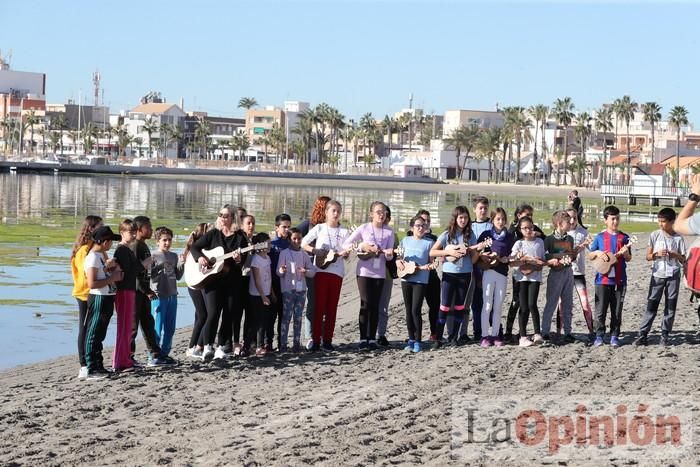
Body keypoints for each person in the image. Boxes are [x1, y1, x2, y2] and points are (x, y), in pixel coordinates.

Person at [190, 205, 246, 360]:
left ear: (233, 218)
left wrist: (239, 259)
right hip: (211, 280)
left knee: (228, 314)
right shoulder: (213, 234)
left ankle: (221, 346)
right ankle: (207, 346)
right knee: (213, 313)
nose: (222, 218)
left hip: (231, 281)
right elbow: (195, 247)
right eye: (221, 215)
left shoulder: (240, 237)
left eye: (226, 215)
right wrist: (200, 257)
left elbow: (243, 261)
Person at [343, 201, 395, 350]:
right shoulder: (364, 228)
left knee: (375, 305)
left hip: (379, 273)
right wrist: (362, 246)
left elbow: (389, 257)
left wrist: (390, 255)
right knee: (365, 303)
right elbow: (347, 244)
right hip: (364, 272)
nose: (381, 214)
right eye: (378, 212)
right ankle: (362, 338)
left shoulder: (389, 232)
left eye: (384, 212)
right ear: (371, 214)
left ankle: (372, 338)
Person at [302, 200, 350, 351]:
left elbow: (347, 254)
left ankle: (327, 340)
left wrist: (346, 253)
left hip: (337, 273)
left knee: (332, 308)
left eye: (338, 211)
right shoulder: (320, 228)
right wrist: (316, 251)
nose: (336, 214)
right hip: (320, 271)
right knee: (319, 306)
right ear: (327, 212)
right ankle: (315, 340)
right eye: (333, 211)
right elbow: (303, 243)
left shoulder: (344, 232)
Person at [429, 206, 480, 349]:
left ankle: (453, 337)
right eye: (460, 217)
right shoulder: (447, 234)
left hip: (465, 274)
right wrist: (448, 251)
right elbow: (433, 252)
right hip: (449, 274)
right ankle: (438, 338)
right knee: (444, 306)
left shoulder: (471, 236)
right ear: (455, 218)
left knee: (460, 306)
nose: (463, 220)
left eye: (465, 217)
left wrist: (476, 251)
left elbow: (474, 260)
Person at [633, 208, 686, 346]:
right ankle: (643, 334)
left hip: (673, 275)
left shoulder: (678, 238)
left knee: (670, 305)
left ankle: (665, 334)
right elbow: (648, 256)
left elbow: (684, 260)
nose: (660, 224)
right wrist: (656, 255)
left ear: (672, 222)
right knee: (651, 304)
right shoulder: (655, 235)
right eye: (659, 221)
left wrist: (675, 255)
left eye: (663, 221)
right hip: (657, 274)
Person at [587, 205, 632, 348]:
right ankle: (599, 335)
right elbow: (590, 254)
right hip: (602, 279)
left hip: (619, 279)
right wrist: (598, 253)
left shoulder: (624, 238)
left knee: (617, 310)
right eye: (612, 219)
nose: (615, 221)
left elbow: (629, 258)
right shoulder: (600, 237)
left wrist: (625, 253)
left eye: (617, 218)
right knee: (600, 309)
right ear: (605, 220)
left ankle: (614, 335)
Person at [83, 225, 123, 380]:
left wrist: (110, 270)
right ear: (104, 241)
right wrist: (112, 278)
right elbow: (91, 283)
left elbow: (102, 275)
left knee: (100, 333)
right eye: (110, 241)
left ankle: (98, 365)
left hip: (107, 296)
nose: (111, 244)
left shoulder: (101, 255)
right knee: (94, 332)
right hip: (99, 297)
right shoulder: (92, 257)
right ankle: (91, 368)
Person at [129, 216, 167, 366]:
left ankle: (156, 354)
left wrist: (148, 289)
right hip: (136, 292)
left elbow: (144, 273)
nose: (151, 230)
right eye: (148, 227)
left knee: (148, 323)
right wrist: (146, 291)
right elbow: (135, 273)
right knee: (133, 326)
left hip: (143, 292)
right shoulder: (135, 246)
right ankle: (128, 356)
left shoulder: (143, 245)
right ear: (139, 229)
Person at [504, 204, 544, 343]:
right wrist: (519, 260)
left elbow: (542, 251)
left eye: (531, 217)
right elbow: (511, 257)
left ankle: (533, 333)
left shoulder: (536, 234)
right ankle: (512, 332)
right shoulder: (513, 233)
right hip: (519, 274)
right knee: (518, 303)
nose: (529, 218)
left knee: (531, 304)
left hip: (533, 275)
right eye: (526, 215)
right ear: (518, 215)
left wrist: (536, 264)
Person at [71, 215, 103, 380]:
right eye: (100, 226)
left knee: (91, 329)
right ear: (91, 229)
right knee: (84, 329)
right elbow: (86, 276)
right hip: (84, 294)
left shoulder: (93, 247)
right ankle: (84, 366)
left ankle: (91, 363)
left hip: (91, 292)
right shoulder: (84, 250)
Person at [476, 207, 514, 347]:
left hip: (502, 273)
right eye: (498, 219)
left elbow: (513, 254)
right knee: (487, 304)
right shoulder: (486, 234)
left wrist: (507, 259)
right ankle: (484, 335)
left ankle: (495, 335)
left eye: (503, 219)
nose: (501, 221)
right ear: (492, 220)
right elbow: (477, 252)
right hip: (488, 272)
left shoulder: (510, 237)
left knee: (498, 305)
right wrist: (485, 256)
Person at [397, 215, 435, 353]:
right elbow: (399, 256)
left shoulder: (429, 243)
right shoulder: (405, 241)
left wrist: (429, 266)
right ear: (412, 227)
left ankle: (418, 341)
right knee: (408, 310)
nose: (420, 228)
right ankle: (411, 339)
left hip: (421, 280)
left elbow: (432, 262)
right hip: (406, 279)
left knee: (415, 310)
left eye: (423, 225)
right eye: (418, 225)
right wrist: (398, 261)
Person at [297, 195, 330, 349]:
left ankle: (322, 334)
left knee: (324, 302)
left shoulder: (334, 227)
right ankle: (309, 335)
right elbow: (296, 239)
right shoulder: (308, 225)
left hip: (328, 267)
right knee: (312, 301)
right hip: (310, 266)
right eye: (329, 208)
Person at [112, 219, 144, 372]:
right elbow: (129, 271)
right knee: (124, 326)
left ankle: (125, 359)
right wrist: (143, 265)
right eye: (130, 232)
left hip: (129, 289)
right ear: (122, 233)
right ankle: (120, 361)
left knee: (127, 326)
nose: (132, 235)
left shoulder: (127, 249)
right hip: (124, 290)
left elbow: (131, 270)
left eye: (134, 232)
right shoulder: (122, 250)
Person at [540, 211, 576, 344]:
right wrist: (557, 259)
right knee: (551, 303)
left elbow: (571, 255)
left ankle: (568, 332)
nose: (571, 223)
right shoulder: (549, 240)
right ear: (560, 224)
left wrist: (572, 255)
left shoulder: (570, 239)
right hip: (555, 274)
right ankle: (545, 331)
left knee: (568, 304)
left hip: (568, 273)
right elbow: (543, 256)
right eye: (568, 221)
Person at [277, 228, 316, 352]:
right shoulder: (284, 253)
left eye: (299, 238)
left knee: (298, 317)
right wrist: (282, 270)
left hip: (301, 290)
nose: (297, 241)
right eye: (294, 238)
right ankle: (283, 344)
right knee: (286, 317)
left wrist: (306, 271)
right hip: (288, 289)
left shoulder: (304, 254)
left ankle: (296, 343)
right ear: (289, 239)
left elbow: (313, 272)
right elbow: (278, 272)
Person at [150, 226, 184, 363]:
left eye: (169, 240)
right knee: (157, 327)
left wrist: (182, 262)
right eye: (164, 240)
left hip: (172, 295)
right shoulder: (153, 256)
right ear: (157, 241)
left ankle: (164, 353)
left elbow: (178, 276)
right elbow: (148, 276)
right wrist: (159, 267)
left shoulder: (173, 256)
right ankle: (153, 355)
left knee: (170, 328)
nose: (167, 243)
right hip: (158, 295)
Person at [565, 207, 594, 338]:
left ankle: (592, 331)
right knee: (564, 304)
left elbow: (592, 250)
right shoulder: (561, 233)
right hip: (564, 274)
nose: (572, 220)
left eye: (574, 217)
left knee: (585, 303)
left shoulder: (583, 232)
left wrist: (590, 245)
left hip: (579, 274)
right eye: (569, 217)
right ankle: (564, 332)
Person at [183, 223, 211, 359]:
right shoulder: (197, 251)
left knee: (199, 316)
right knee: (203, 315)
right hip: (195, 285)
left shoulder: (197, 250)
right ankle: (192, 346)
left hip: (197, 285)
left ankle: (197, 345)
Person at [467, 196, 492, 342]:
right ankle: (477, 331)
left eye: (485, 208)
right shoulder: (470, 226)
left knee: (490, 300)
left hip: (489, 266)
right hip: (474, 266)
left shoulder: (492, 224)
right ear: (474, 210)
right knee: (476, 302)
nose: (483, 211)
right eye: (480, 208)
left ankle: (495, 330)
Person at [249, 232, 276, 356]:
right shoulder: (256, 259)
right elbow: (257, 279)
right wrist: (262, 295)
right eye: (268, 243)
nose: (270, 245)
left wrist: (271, 292)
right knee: (257, 321)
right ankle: (256, 346)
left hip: (266, 292)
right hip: (257, 294)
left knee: (265, 320)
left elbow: (269, 276)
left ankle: (261, 344)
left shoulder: (268, 258)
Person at [377, 205, 398, 347]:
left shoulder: (392, 234)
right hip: (371, 274)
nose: (383, 219)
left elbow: (397, 253)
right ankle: (369, 333)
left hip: (387, 274)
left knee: (383, 306)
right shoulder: (370, 231)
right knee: (371, 305)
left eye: (386, 216)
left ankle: (381, 333)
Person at [270, 213, 291, 350]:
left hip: (287, 285)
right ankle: (268, 343)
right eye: (284, 227)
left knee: (284, 316)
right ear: (277, 227)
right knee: (270, 316)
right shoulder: (271, 245)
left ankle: (282, 343)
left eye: (289, 227)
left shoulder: (291, 244)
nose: (287, 230)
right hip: (273, 284)